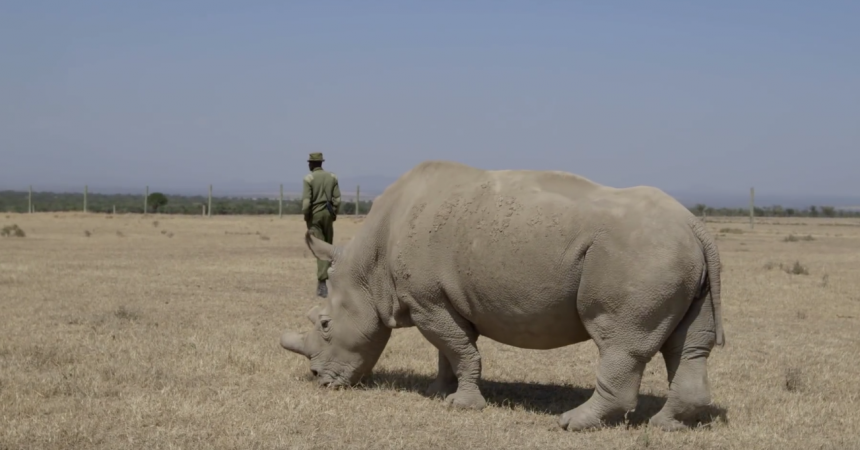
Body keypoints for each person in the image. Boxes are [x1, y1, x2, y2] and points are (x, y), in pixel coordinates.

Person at [301, 152, 341, 298]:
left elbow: (306, 203)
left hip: (315, 216)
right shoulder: (332, 177)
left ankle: (322, 283)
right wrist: (334, 213)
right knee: (329, 247)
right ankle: (331, 281)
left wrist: (306, 216)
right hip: (328, 215)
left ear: (312, 164)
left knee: (320, 249)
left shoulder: (309, 178)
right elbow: (337, 199)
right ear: (321, 163)